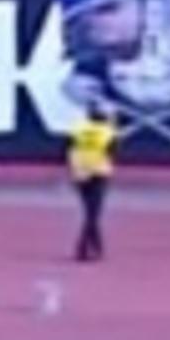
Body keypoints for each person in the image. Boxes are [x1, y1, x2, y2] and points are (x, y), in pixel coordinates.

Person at [68, 103, 118, 262]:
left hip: (80, 172)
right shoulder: (108, 132)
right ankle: (82, 247)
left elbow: (68, 149)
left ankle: (96, 247)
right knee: (93, 213)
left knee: (89, 212)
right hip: (99, 172)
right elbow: (112, 153)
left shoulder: (77, 129)